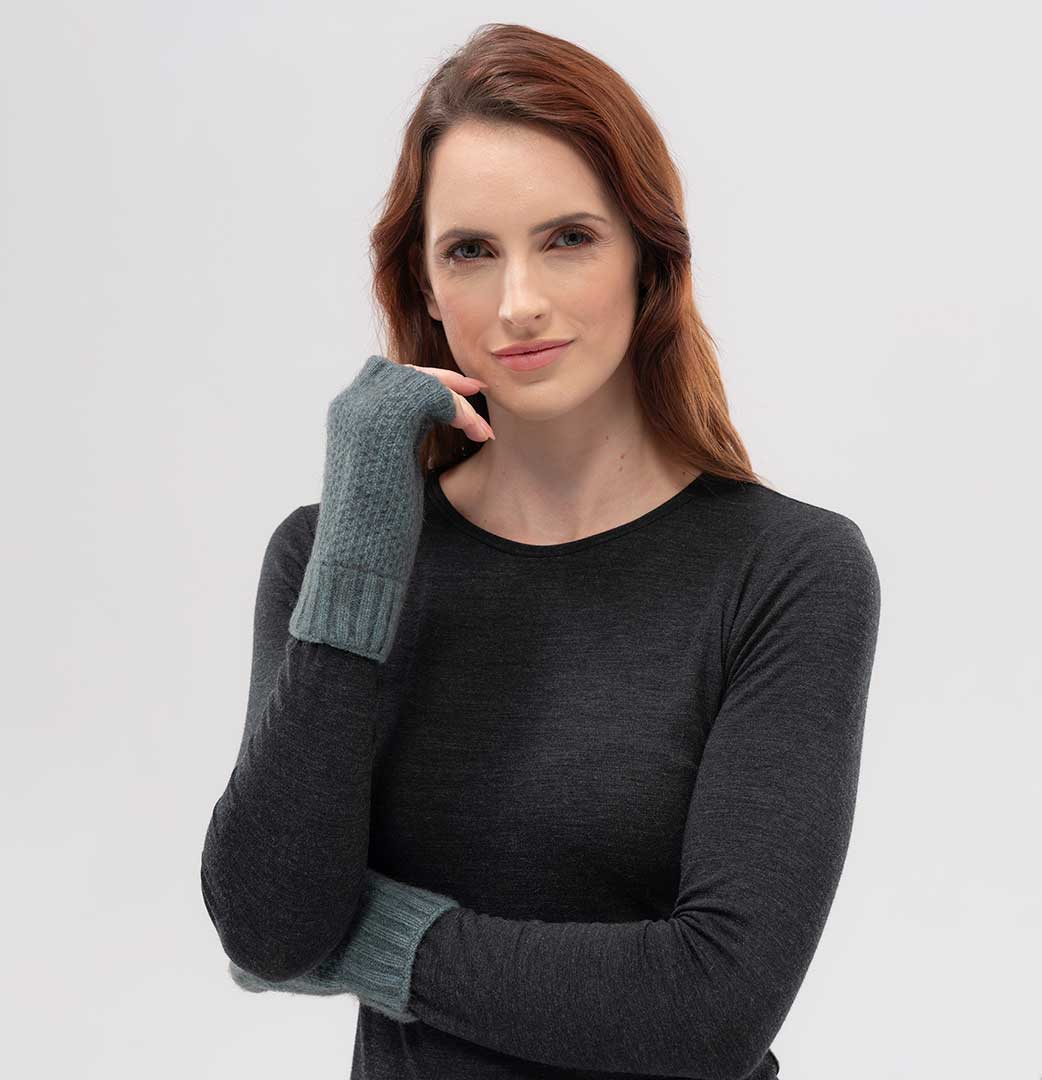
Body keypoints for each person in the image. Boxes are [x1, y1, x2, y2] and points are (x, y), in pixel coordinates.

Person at [200, 22, 881, 1080]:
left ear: (648, 259)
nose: (519, 302)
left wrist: (367, 941)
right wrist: (364, 526)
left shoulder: (787, 571)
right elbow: (269, 922)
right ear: (425, 285)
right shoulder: (328, 560)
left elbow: (710, 1009)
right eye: (471, 251)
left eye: (568, 238)